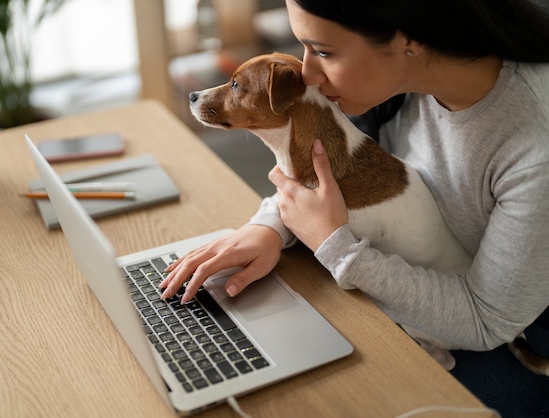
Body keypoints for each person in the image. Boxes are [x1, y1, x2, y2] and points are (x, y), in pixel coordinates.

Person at [161, 0, 549, 415]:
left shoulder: (534, 151)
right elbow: (331, 170)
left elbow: (484, 321)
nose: (305, 74)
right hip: (398, 278)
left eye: (323, 51)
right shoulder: (391, 82)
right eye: (303, 48)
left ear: (407, 40)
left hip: (502, 338)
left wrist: (334, 244)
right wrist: (271, 226)